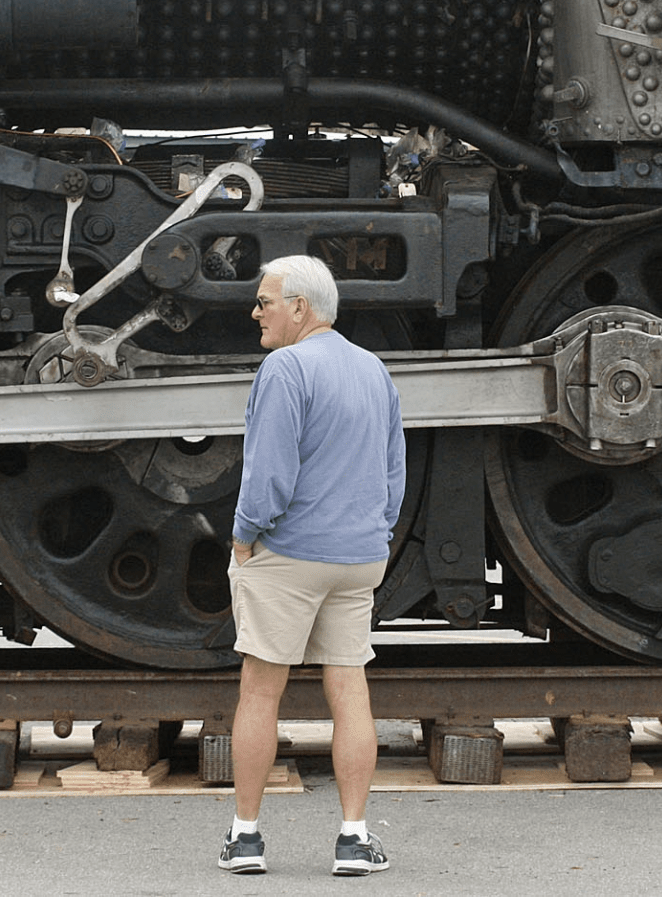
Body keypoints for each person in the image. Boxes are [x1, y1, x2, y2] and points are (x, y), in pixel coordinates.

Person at [218, 254, 406, 878]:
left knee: (260, 692)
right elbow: (392, 472)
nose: (257, 312)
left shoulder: (286, 367)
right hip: (358, 558)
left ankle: (245, 837)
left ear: (300, 307)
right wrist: (373, 532)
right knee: (349, 693)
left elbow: (268, 472)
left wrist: (245, 537)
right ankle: (353, 840)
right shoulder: (374, 369)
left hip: (291, 555)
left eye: (265, 301)